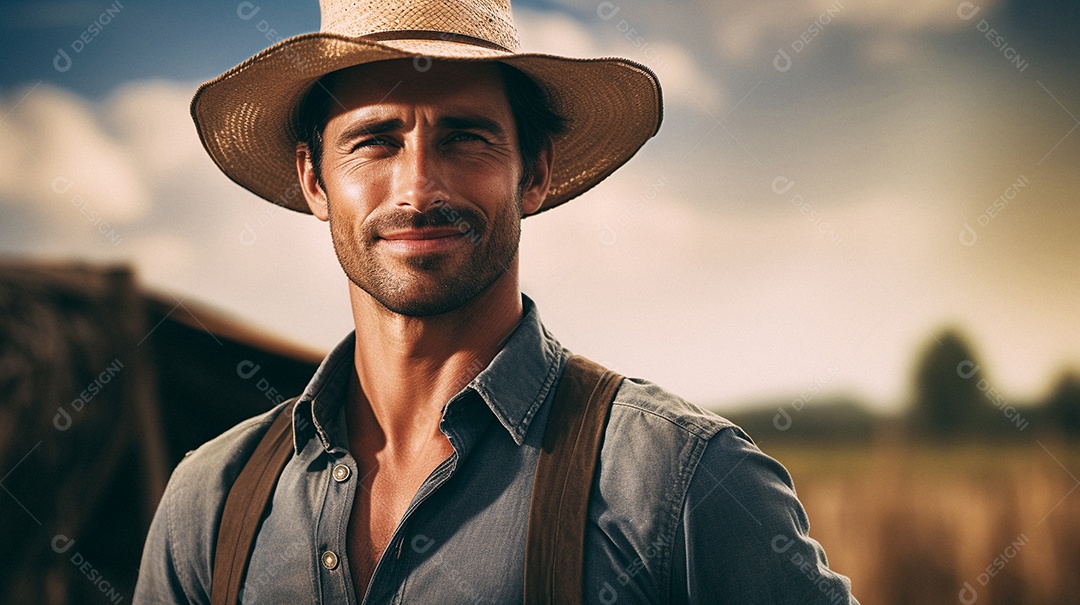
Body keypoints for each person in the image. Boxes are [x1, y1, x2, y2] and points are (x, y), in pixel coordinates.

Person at [135, 0, 859, 603]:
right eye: (375, 141)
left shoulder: (679, 483)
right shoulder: (209, 508)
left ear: (534, 172)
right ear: (315, 182)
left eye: (466, 137)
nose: (419, 190)